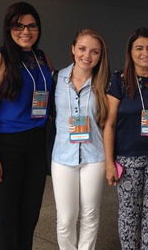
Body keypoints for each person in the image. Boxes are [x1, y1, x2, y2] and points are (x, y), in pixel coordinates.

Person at [0, 2, 53, 249]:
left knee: (30, 214)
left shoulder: (41, 57)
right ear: (9, 27)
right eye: (19, 25)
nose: (26, 31)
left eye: (32, 26)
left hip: (37, 143)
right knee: (7, 216)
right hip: (8, 144)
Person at [104, 27, 148, 250]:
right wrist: (109, 163)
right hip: (127, 158)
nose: (145, 53)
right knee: (129, 212)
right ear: (130, 52)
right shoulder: (119, 81)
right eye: (139, 48)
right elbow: (109, 124)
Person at [51, 28, 110, 250]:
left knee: (90, 214)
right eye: (83, 48)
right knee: (66, 218)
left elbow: (108, 123)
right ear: (73, 49)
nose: (88, 55)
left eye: (95, 51)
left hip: (94, 156)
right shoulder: (55, 79)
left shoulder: (105, 83)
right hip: (63, 156)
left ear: (100, 55)